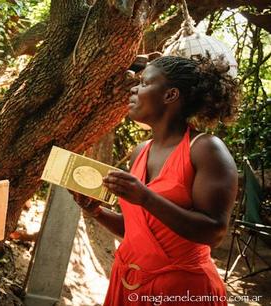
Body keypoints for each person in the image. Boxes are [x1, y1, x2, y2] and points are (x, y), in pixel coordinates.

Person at [73, 55, 239, 305]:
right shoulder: (140, 151)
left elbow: (214, 232)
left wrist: (146, 197)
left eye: (144, 83)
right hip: (129, 284)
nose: (134, 89)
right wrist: (95, 211)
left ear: (170, 95)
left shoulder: (205, 149)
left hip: (182, 290)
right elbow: (140, 233)